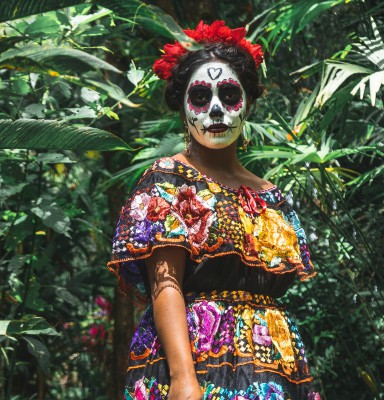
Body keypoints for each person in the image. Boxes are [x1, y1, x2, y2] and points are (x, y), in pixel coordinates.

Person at [107, 20, 320, 400]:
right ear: (183, 106)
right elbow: (164, 283)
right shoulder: (168, 179)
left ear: (249, 103)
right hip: (195, 359)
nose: (217, 109)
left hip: (274, 363)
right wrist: (182, 379)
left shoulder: (271, 194)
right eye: (202, 97)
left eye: (229, 95)